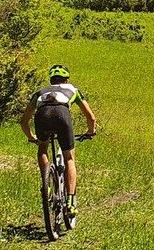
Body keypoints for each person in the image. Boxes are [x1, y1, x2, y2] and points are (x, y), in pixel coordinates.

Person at [20, 64, 98, 225]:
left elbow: (24, 120)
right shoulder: (72, 90)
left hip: (42, 116)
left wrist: (31, 137)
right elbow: (91, 118)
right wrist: (90, 132)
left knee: (43, 147)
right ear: (67, 79)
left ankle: (46, 183)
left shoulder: (40, 92)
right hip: (62, 115)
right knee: (69, 158)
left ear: (50, 80)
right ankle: (70, 201)